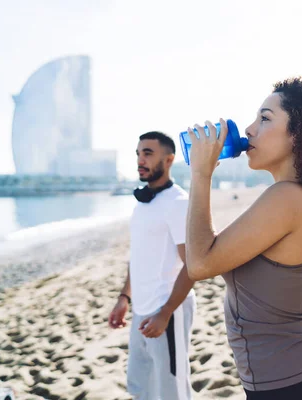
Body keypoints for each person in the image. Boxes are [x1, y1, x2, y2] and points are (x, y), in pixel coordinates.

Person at [173, 77, 302, 399]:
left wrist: (201, 175)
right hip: (286, 382)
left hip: (294, 386)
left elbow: (200, 263)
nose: (248, 130)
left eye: (265, 118)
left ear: (299, 135)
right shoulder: (288, 196)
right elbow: (211, 252)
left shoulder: (288, 198)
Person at [107, 131, 197, 400]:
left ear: (168, 160)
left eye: (148, 153)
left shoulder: (178, 203)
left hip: (168, 309)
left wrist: (166, 312)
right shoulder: (143, 203)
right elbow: (139, 255)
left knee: (173, 389)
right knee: (140, 386)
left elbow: (192, 265)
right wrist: (124, 297)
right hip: (140, 310)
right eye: (138, 153)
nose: (140, 160)